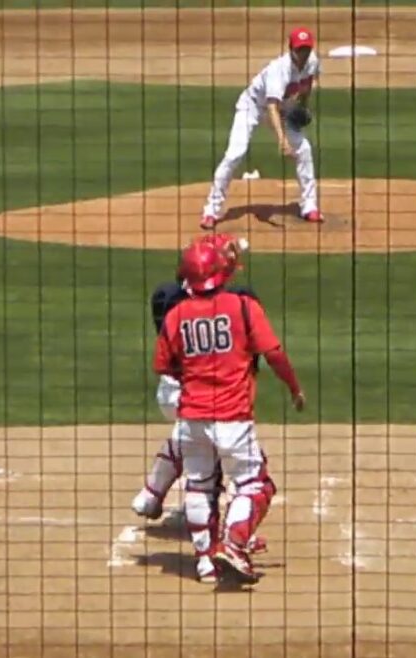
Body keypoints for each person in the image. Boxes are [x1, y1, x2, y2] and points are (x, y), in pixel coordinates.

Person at [154, 234, 305, 585]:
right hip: (233, 418)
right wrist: (294, 387)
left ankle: (205, 562)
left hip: (191, 418)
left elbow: (164, 366)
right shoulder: (242, 307)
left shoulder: (175, 316)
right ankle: (236, 543)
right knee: (256, 484)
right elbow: (274, 353)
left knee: (199, 485)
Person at [130, 235, 267, 582]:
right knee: (214, 469)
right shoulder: (230, 303)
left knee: (192, 445)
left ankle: (152, 494)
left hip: (177, 390)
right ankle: (223, 543)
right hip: (196, 392)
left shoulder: (171, 297)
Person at [201, 26, 322, 229]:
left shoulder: (312, 62)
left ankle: (309, 206)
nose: (303, 53)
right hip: (252, 106)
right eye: (300, 49)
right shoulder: (279, 70)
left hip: (281, 108)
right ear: (291, 49)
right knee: (235, 154)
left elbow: (307, 84)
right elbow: (271, 106)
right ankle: (211, 211)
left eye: (306, 49)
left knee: (304, 149)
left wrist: (302, 106)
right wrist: (282, 140)